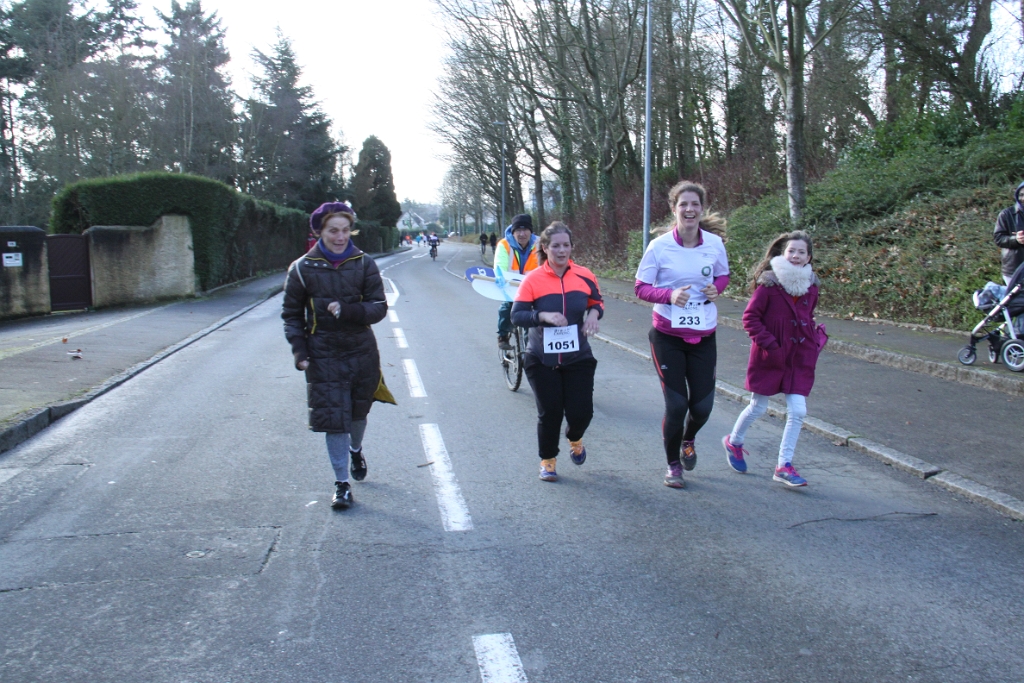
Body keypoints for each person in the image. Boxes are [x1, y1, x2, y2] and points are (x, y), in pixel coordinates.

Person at [282, 202, 392, 510]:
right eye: (333, 231)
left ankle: (356, 450)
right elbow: (291, 315)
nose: (340, 237)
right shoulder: (302, 268)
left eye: (345, 230)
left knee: (357, 414)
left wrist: (349, 311)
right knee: (334, 420)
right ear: (320, 231)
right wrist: (300, 351)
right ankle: (341, 483)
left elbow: (378, 307)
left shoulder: (364, 263)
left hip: (361, 352)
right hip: (323, 354)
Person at [635, 181, 730, 489]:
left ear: (702, 208)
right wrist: (669, 295)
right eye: (683, 204)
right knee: (677, 406)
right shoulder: (659, 246)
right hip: (667, 336)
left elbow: (723, 274)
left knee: (702, 409)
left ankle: (688, 439)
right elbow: (641, 288)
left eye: (695, 204)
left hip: (704, 335)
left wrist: (718, 288)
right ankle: (673, 465)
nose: (689, 209)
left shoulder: (714, 244)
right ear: (674, 209)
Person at [722, 231, 826, 487]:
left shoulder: (812, 286)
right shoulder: (768, 285)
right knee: (758, 407)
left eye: (801, 252)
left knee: (798, 411)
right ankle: (734, 442)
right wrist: (771, 345)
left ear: (808, 257)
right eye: (791, 251)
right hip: (770, 356)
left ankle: (783, 465)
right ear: (783, 253)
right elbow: (750, 319)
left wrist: (814, 341)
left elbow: (808, 317)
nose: (796, 256)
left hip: (799, 358)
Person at [511, 222, 603, 482]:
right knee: (550, 412)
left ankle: (575, 437)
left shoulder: (585, 275)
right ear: (545, 248)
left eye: (566, 245)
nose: (561, 251)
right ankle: (548, 460)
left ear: (572, 247)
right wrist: (542, 316)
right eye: (555, 246)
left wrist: (593, 315)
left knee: (582, 413)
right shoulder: (533, 279)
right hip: (541, 358)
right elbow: (517, 315)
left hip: (578, 356)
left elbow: (597, 302)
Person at [494, 214, 540, 349]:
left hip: (533, 289)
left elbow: (547, 264)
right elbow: (500, 264)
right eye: (518, 230)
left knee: (534, 315)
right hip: (510, 287)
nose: (522, 234)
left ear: (531, 231)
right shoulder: (504, 245)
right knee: (506, 308)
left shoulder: (540, 244)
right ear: (513, 232)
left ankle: (531, 347)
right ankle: (503, 336)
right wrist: (500, 276)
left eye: (525, 230)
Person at [995, 181, 1024, 286]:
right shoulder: (1006, 214)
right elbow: (998, 238)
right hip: (1013, 269)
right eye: (1021, 195)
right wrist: (1015, 239)